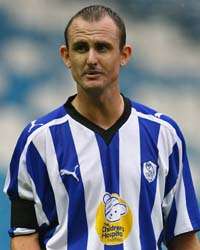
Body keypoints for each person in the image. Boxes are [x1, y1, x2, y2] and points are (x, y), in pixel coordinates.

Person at [4, 5, 200, 250]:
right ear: (66, 56)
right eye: (81, 48)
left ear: (124, 54)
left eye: (103, 47)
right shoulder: (38, 141)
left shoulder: (163, 134)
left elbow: (182, 236)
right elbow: (25, 236)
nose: (91, 59)